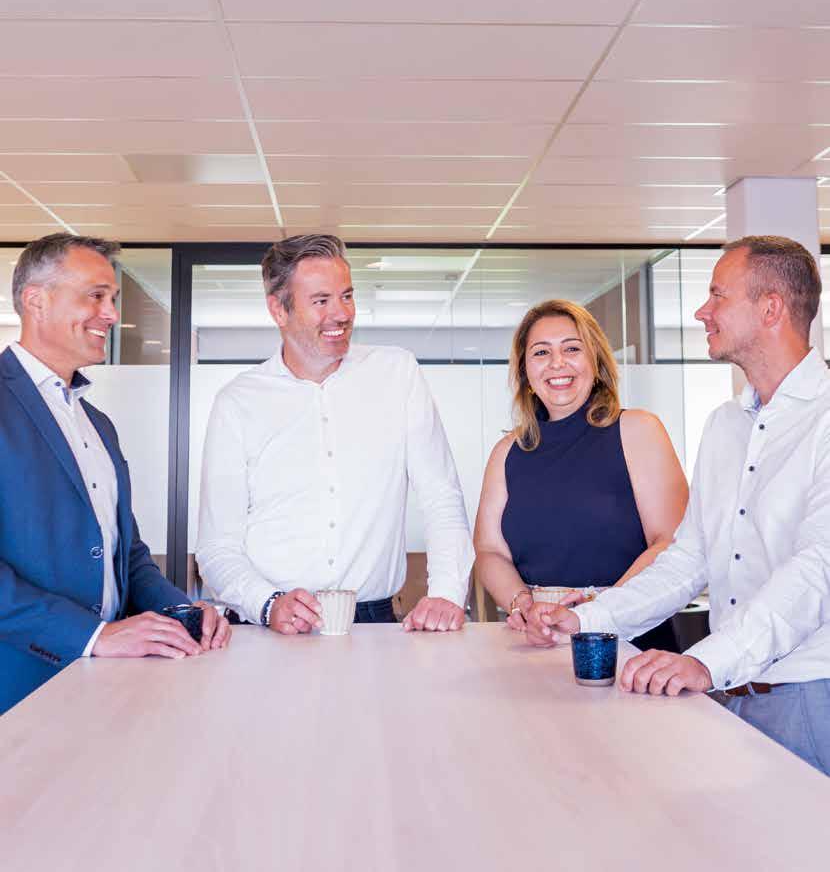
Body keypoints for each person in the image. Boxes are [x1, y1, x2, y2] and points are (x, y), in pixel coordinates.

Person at [535, 236, 830, 774]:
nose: (702, 311)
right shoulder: (725, 425)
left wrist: (704, 661)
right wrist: (585, 620)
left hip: (810, 697)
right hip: (731, 696)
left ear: (771, 309)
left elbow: (816, 572)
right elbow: (689, 559)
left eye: (718, 295)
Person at [0, 234, 231, 715]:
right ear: (36, 301)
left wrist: (182, 610)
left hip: (103, 687)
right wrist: (93, 635)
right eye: (95, 296)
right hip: (18, 685)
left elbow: (125, 553)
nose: (110, 314)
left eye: (113, 298)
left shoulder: (97, 424)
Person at [196, 233, 473, 634]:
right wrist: (267, 603)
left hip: (371, 624)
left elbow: (441, 496)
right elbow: (217, 547)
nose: (341, 313)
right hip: (268, 625)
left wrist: (447, 592)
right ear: (278, 309)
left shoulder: (397, 374)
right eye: (321, 301)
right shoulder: (237, 402)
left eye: (347, 296)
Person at [474, 299, 688, 648]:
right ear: (526, 371)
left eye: (572, 348)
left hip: (627, 637)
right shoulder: (506, 452)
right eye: (541, 352)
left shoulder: (639, 430)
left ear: (596, 361)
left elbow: (670, 541)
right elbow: (489, 550)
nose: (557, 362)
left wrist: (595, 614)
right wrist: (523, 606)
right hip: (538, 639)